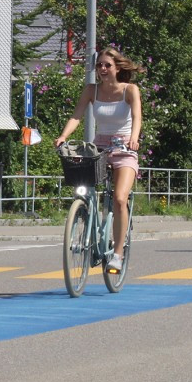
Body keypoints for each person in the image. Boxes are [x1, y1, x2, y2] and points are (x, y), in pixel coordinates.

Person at [53, 47, 143, 274]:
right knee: (83, 190)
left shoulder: (129, 90)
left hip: (124, 148)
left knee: (120, 199)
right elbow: (77, 115)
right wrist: (64, 136)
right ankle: (85, 216)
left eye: (107, 65)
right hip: (99, 147)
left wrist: (133, 138)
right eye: (99, 65)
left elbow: (137, 116)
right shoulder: (91, 90)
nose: (102, 69)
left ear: (117, 68)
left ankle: (118, 254)